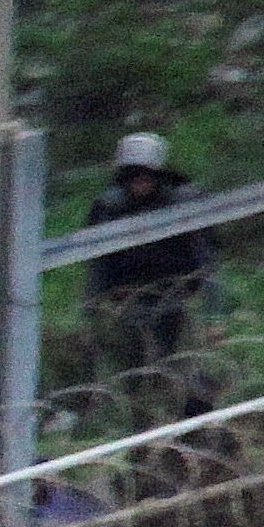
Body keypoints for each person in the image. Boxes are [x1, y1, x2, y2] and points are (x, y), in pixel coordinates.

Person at [85, 131, 205, 366]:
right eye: (133, 177)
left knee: (170, 354)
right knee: (135, 358)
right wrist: (93, 309)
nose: (140, 183)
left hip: (174, 289)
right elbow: (98, 263)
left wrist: (212, 312)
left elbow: (203, 253)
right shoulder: (110, 208)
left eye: (146, 176)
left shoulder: (181, 202)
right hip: (128, 294)